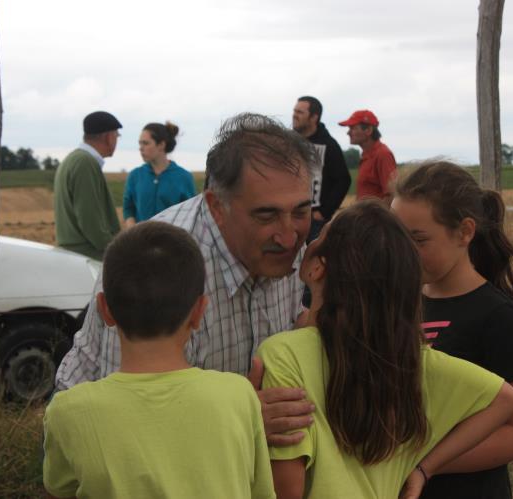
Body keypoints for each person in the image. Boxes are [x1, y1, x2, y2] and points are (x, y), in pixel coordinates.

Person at [56, 112, 317, 446]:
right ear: (216, 207)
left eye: (301, 211)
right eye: (266, 215)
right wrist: (242, 421)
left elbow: (294, 317)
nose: (288, 236)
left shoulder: (288, 244)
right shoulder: (156, 268)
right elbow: (119, 425)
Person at [258, 199, 513, 499]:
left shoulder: (283, 355)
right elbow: (506, 400)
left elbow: (286, 491)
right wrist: (424, 468)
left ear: (317, 267)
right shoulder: (413, 359)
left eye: (321, 236)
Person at [43, 222, 275, 498]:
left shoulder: (67, 412)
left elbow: (59, 489)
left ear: (104, 309)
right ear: (199, 311)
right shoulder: (239, 396)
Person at [392, 161, 513, 498]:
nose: (404, 253)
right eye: (397, 238)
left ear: (464, 232)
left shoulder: (498, 315)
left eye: (418, 240)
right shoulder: (399, 303)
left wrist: (425, 465)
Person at [53, 111, 122, 260]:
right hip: (88, 257)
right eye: (117, 136)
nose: (116, 140)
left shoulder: (73, 159)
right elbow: (89, 218)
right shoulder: (85, 163)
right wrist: (115, 250)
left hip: (74, 255)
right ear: (109, 137)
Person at [291, 96, 351, 243]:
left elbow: (343, 180)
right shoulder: (289, 142)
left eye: (300, 112)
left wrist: (324, 213)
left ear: (314, 117)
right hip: (290, 215)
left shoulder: (328, 145)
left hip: (314, 221)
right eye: (294, 111)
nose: (294, 115)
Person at [122, 121, 196, 227]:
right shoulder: (135, 176)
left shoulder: (184, 177)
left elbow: (191, 214)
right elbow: (128, 208)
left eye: (146, 143)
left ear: (161, 145)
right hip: (140, 241)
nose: (141, 148)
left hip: (172, 241)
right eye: (140, 143)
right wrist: (133, 232)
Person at [338, 109, 397, 204]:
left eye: (352, 128)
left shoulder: (382, 154)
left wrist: (376, 217)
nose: (348, 133)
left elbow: (391, 194)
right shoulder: (367, 155)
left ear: (368, 130)